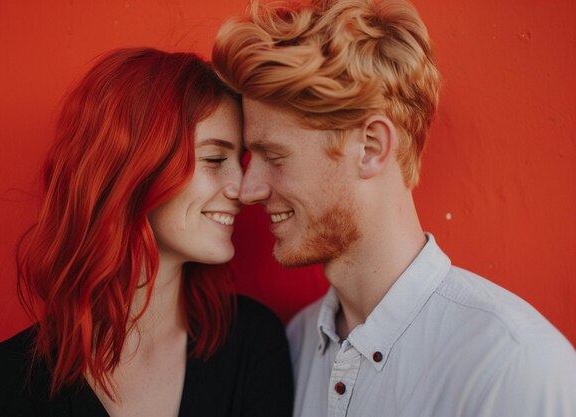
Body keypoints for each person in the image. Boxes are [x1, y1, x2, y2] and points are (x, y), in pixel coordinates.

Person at [212, 0, 576, 416]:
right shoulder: (293, 345)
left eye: (274, 157)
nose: (248, 189)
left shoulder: (513, 367)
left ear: (371, 148)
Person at [0, 48, 293, 417]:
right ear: (133, 172)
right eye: (214, 159)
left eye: (239, 161)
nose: (243, 187)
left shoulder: (252, 345)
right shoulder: (1, 387)